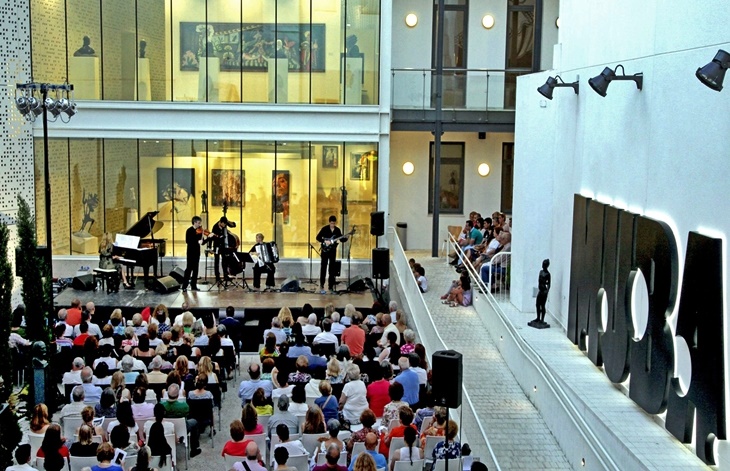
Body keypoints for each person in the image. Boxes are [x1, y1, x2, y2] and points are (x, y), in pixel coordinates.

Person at [316, 216, 347, 293]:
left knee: (332, 269)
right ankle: (322, 284)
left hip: (333, 251)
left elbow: (341, 239)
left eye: (333, 223)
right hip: (325, 251)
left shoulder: (337, 230)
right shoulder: (324, 229)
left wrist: (346, 237)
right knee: (323, 267)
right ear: (329, 222)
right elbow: (318, 237)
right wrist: (325, 240)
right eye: (331, 223)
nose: (332, 224)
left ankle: (331, 285)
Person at [182, 216, 205, 292]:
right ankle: (184, 286)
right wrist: (197, 241)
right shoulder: (189, 230)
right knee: (188, 269)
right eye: (198, 223)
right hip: (191, 253)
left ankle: (193, 286)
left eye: (199, 223)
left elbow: (202, 242)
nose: (199, 224)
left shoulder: (200, 231)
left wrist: (209, 238)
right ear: (194, 222)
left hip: (197, 253)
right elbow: (188, 241)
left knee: (195, 270)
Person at [212, 216, 235, 283]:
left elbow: (234, 225)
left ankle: (226, 275)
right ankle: (217, 277)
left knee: (224, 261)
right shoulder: (215, 227)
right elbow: (213, 237)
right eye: (224, 224)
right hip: (217, 246)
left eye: (225, 224)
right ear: (220, 222)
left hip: (223, 246)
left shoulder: (225, 224)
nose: (225, 225)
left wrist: (228, 222)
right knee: (216, 262)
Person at [532, 259, 551, 325]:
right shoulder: (541, 272)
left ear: (547, 266)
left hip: (544, 291)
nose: (543, 265)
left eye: (544, 264)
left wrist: (547, 291)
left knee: (542, 305)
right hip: (540, 290)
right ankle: (538, 318)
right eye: (543, 264)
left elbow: (549, 284)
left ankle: (542, 320)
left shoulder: (548, 274)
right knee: (537, 304)